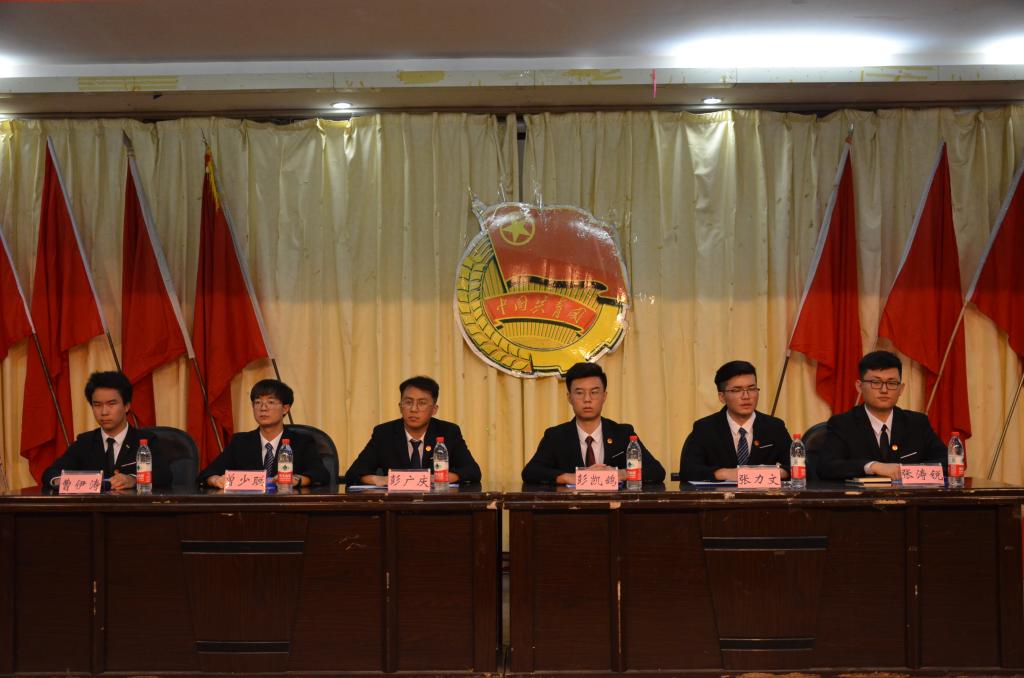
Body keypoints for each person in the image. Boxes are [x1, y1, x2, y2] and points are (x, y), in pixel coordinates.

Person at [522, 362, 664, 484]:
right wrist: (571, 477)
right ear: (569, 397)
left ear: (604, 396)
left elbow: (656, 471)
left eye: (594, 392)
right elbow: (531, 472)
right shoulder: (556, 436)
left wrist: (619, 474)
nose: (587, 399)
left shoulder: (622, 433)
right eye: (579, 393)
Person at [818, 350, 947, 481]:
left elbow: (948, 463)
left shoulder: (917, 423)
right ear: (859, 386)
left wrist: (906, 472)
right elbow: (826, 466)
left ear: (901, 389)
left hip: (908, 494)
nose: (884, 390)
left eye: (891, 383)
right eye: (876, 382)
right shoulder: (843, 424)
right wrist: (872, 466)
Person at [42, 371, 171, 490]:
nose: (104, 412)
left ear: (126, 406)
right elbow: (50, 473)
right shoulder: (85, 442)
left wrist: (133, 479)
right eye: (97, 405)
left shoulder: (145, 440)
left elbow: (164, 474)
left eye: (111, 404)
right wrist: (61, 481)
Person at [344, 375, 481, 486]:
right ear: (400, 406)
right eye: (408, 402)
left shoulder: (448, 431)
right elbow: (353, 473)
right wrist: (380, 480)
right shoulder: (384, 433)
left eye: (422, 403)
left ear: (434, 409)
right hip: (397, 505)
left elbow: (473, 471)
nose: (414, 409)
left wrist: (443, 477)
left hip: (435, 504)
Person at [198, 379, 329, 488]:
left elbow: (321, 474)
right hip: (250, 507)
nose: (263, 408)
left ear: (285, 408)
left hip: (287, 505)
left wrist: (296, 480)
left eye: (270, 402)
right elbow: (207, 473)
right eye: (258, 402)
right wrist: (215, 480)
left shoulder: (301, 442)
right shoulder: (240, 442)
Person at [679, 361, 792, 482]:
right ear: (722, 396)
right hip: (721, 494)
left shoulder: (774, 427)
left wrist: (777, 473)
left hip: (764, 494)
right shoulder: (705, 429)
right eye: (737, 390)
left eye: (752, 388)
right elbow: (688, 471)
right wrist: (724, 473)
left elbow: (798, 466)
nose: (746, 396)